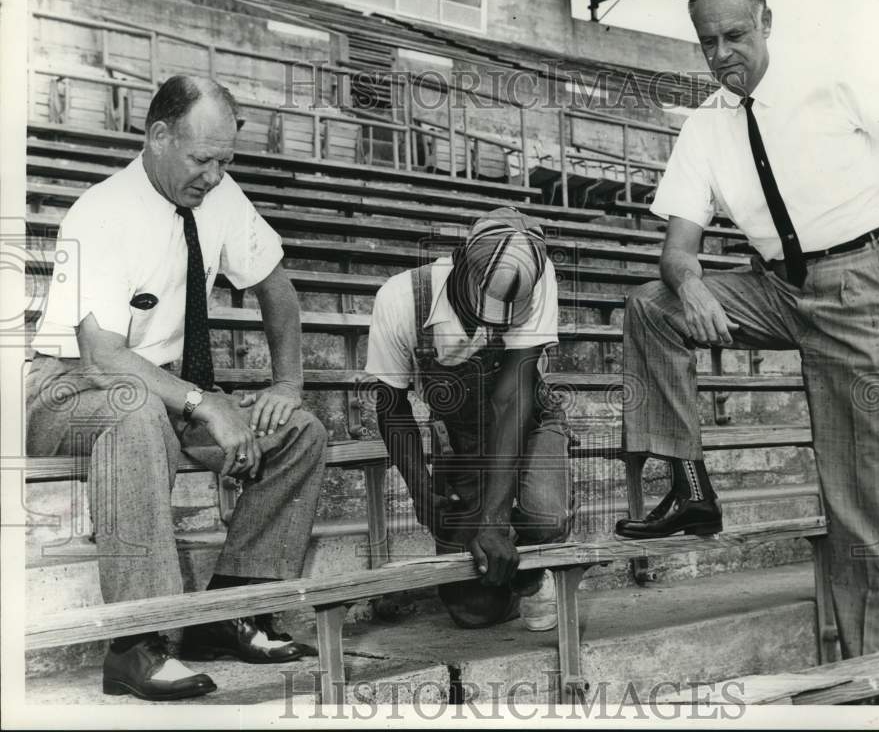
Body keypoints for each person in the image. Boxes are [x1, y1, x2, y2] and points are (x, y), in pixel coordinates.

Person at [614, 0, 879, 659]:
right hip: (778, 288)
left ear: (766, 23)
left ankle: (873, 676)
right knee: (652, 305)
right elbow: (676, 250)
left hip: (866, 286)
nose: (721, 54)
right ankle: (690, 486)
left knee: (865, 504)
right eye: (707, 42)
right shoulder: (707, 124)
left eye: (735, 36)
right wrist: (692, 284)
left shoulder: (829, 80)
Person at [26, 75, 327, 700]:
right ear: (158, 136)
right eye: (202, 160)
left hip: (165, 389)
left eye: (225, 160)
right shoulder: (102, 212)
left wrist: (288, 383)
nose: (215, 175)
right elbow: (104, 358)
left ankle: (233, 610)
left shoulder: (221, 195)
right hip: (69, 388)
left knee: (297, 432)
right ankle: (139, 643)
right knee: (133, 416)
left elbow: (277, 290)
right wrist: (202, 402)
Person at [365, 207, 573, 631]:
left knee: (545, 516)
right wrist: (421, 490)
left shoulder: (535, 270)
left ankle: (532, 546)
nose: (486, 323)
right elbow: (391, 404)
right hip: (460, 439)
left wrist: (493, 521)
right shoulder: (400, 298)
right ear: (460, 260)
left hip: (527, 421)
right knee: (472, 611)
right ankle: (522, 568)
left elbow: (511, 398)